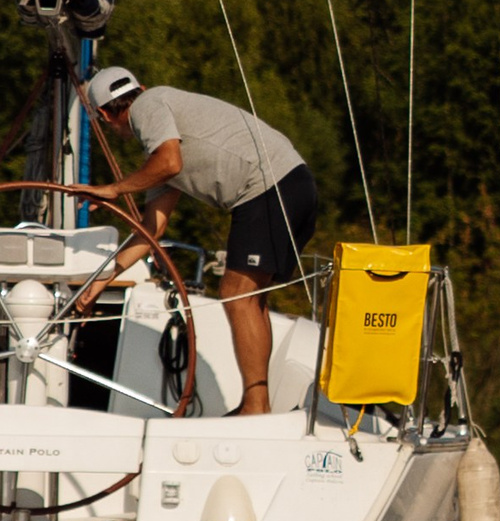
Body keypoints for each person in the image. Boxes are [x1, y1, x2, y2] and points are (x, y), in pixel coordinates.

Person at [73, 68, 319, 417]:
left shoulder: (149, 106)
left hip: (270, 187)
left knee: (236, 293)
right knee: (250, 298)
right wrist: (98, 284)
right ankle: (257, 405)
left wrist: (113, 189)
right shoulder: (160, 146)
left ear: (105, 115)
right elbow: (150, 231)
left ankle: (255, 406)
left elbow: (169, 163)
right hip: (293, 185)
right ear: (138, 87)